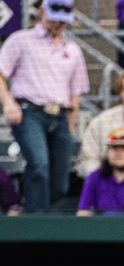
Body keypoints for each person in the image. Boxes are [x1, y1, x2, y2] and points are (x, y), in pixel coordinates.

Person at [0, 0, 89, 213]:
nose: (58, 24)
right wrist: (8, 103)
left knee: (60, 181)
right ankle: (37, 218)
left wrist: (71, 124)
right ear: (41, 12)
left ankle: (28, 202)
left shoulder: (73, 50)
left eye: (62, 20)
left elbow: (75, 92)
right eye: (54, 18)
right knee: (39, 165)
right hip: (29, 112)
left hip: (60, 114)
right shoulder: (21, 40)